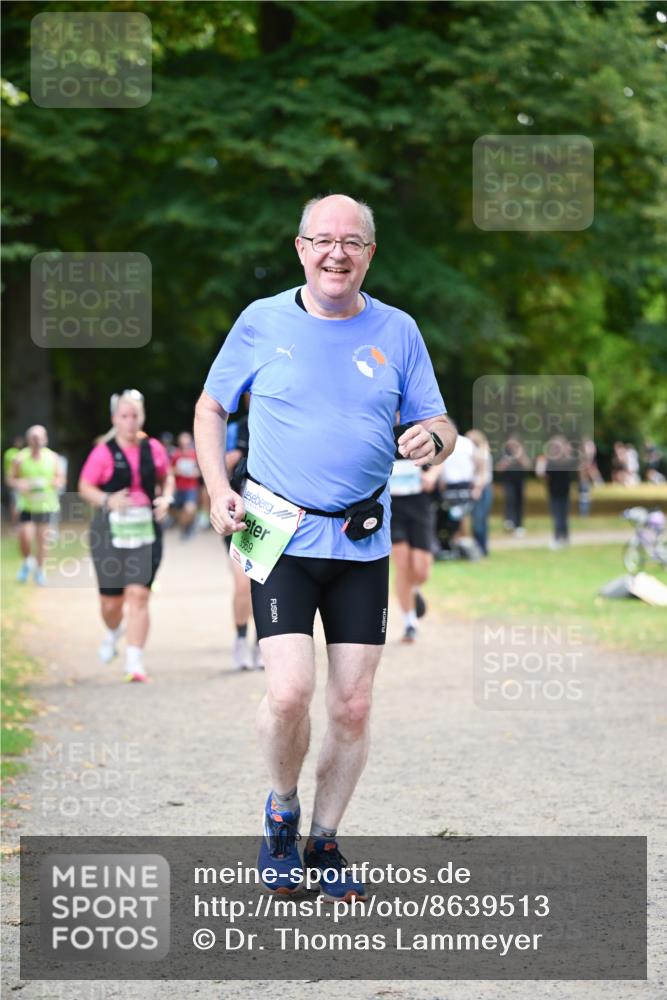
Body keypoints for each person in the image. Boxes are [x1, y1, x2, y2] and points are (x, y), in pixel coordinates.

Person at [194, 194, 455, 901]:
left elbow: (439, 422)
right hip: (269, 526)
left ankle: (325, 840)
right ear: (300, 247)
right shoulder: (260, 321)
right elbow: (211, 406)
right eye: (322, 240)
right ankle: (280, 810)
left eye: (351, 242)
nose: (335, 252)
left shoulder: (396, 330)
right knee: (288, 692)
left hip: (361, 535)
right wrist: (219, 486)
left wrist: (432, 440)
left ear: (369, 253)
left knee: (352, 705)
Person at [78, 390, 174, 682]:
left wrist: (166, 498)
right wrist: (108, 500)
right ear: (115, 420)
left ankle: (134, 661)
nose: (130, 422)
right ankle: (112, 631)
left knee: (139, 594)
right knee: (112, 603)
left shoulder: (153, 448)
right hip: (109, 532)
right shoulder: (103, 452)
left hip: (146, 530)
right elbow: (85, 486)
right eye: (124, 416)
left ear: (142, 417)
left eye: (135, 416)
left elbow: (166, 476)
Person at [389, 418, 440, 644]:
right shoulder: (377, 416)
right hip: (391, 505)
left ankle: (413, 589)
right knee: (401, 564)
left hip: (419, 503)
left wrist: (433, 476)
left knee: (421, 571)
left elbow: (445, 449)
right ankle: (410, 622)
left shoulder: (422, 416)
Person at [224, 409, 263, 670]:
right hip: (240, 513)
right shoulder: (236, 429)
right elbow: (216, 466)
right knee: (242, 584)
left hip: (274, 517)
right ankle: (240, 639)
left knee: (267, 584)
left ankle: (262, 644)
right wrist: (235, 458)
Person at [10, 426, 64, 585]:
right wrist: (20, 484)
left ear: (45, 439)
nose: (37, 440)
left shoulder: (53, 458)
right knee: (25, 537)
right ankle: (28, 562)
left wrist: (55, 482)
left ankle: (40, 571)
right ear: (28, 440)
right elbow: (11, 479)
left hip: (46, 506)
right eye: (34, 437)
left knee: (42, 540)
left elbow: (61, 479)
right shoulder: (19, 458)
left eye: (40, 437)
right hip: (27, 505)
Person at [536, 436, 574, 550]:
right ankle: (563, 538)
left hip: (558, 492)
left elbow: (542, 475)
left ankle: (559, 538)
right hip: (559, 491)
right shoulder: (561, 461)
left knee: (559, 516)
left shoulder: (553, 461)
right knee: (561, 515)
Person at [496, 437, 531, 536]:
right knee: (509, 499)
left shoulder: (522, 454)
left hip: (520, 481)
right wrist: (505, 462)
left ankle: (519, 526)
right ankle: (509, 520)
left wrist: (520, 456)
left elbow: (527, 466)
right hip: (508, 481)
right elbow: (498, 469)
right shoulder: (504, 455)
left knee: (519, 503)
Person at [466, 429, 493, 556]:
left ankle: (482, 548)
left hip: (482, 488)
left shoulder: (482, 453)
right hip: (475, 488)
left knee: (479, 519)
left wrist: (477, 489)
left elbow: (482, 474)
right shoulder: (478, 452)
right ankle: (480, 547)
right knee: (477, 520)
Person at [170, 431, 201, 539]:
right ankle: (185, 527)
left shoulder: (195, 454)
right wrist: (177, 471)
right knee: (177, 511)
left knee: (190, 509)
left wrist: (196, 473)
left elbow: (200, 471)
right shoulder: (176, 454)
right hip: (178, 487)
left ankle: (189, 526)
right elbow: (169, 470)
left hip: (191, 487)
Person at [3, 434, 24, 528]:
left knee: (15, 502)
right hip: (15, 481)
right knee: (16, 503)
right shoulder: (14, 453)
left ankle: (17, 523)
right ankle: (15, 524)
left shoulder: (9, 452)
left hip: (14, 481)